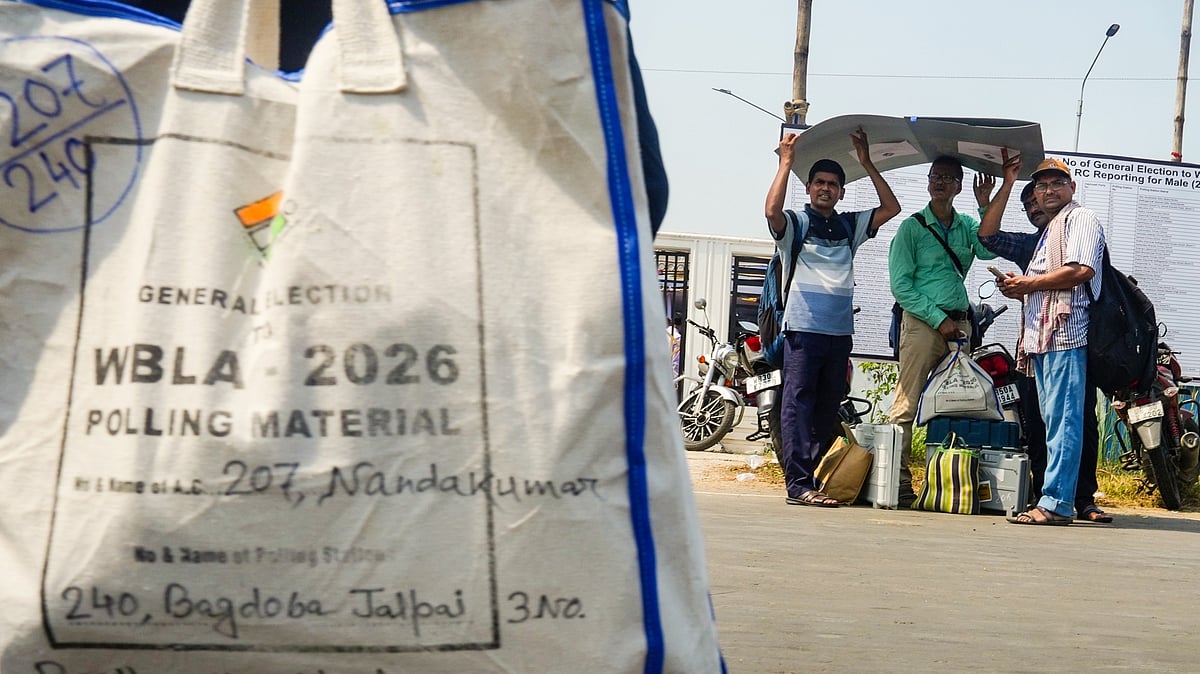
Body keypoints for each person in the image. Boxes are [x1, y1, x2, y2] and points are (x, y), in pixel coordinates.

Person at [765, 129, 900, 507]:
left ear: (841, 191)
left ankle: (822, 480)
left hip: (839, 333)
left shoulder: (848, 226)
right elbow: (771, 212)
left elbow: (891, 209)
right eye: (820, 183)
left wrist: (868, 163)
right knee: (797, 404)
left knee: (827, 409)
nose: (826, 188)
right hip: (803, 331)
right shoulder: (796, 225)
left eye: (833, 184)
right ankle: (798, 485)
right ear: (808, 188)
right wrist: (786, 163)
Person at [980, 154, 1105, 525]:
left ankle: (1056, 503)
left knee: (1066, 422)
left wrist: (1026, 284)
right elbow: (989, 238)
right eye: (1042, 185)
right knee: (1052, 423)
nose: (1048, 191)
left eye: (1056, 184)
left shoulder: (1080, 218)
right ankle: (1056, 498)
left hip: (1066, 335)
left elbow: (1081, 270)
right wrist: (1019, 289)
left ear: (1072, 188)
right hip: (1042, 339)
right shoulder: (1050, 229)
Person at [887, 157, 999, 506]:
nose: (941, 183)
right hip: (923, 325)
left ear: (958, 187)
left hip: (960, 325)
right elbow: (901, 287)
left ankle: (946, 482)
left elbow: (988, 246)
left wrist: (985, 206)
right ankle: (899, 483)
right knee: (906, 406)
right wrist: (938, 319)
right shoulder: (912, 228)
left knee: (956, 404)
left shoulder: (966, 224)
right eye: (936, 176)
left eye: (949, 178)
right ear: (928, 182)